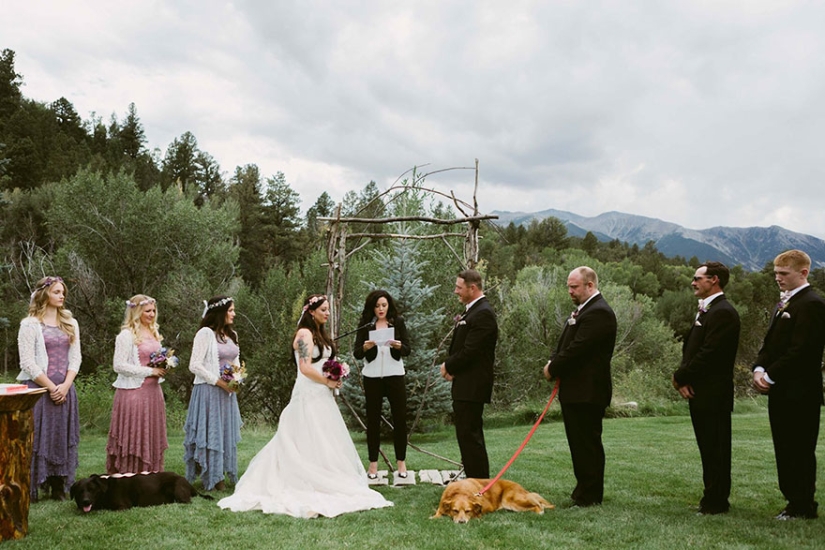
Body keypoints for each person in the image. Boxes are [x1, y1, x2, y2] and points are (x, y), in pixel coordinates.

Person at [218, 294, 392, 518]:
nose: (327, 313)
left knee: (325, 439)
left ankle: (327, 477)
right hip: (308, 394)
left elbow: (322, 363)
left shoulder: (319, 334)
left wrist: (335, 373)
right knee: (305, 437)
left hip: (322, 395)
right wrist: (327, 380)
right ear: (311, 311)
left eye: (328, 309)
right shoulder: (304, 334)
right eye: (323, 310)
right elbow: (305, 368)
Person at [752, 249, 825, 520]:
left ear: (803, 272)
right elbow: (770, 343)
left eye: (784, 274)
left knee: (799, 449)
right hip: (781, 390)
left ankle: (803, 505)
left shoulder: (812, 304)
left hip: (800, 391)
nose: (778, 279)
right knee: (783, 447)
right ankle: (792, 500)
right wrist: (758, 367)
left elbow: (803, 350)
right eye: (776, 274)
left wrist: (770, 375)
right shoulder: (783, 304)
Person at [543, 266, 616, 507]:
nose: (570, 291)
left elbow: (579, 349)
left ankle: (590, 495)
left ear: (590, 285)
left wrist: (553, 369)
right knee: (578, 443)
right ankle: (582, 489)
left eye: (574, 287)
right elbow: (565, 343)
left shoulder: (599, 313)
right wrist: (553, 359)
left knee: (587, 444)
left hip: (588, 391)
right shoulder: (582, 311)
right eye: (568, 286)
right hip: (575, 390)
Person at [672, 262, 740, 515]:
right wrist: (686, 379)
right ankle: (711, 496)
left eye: (697, 278)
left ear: (714, 280)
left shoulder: (723, 312)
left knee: (716, 447)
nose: (693, 282)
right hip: (699, 390)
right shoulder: (708, 310)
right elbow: (692, 349)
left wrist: (680, 376)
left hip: (714, 393)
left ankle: (716, 501)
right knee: (707, 447)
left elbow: (710, 353)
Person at [16, 276, 81, 501]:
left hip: (64, 388)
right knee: (36, 437)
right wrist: (52, 387)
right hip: (38, 389)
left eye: (62, 292)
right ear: (44, 294)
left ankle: (58, 485)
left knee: (60, 436)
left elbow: (76, 358)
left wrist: (65, 386)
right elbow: (27, 362)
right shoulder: (30, 324)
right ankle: (33, 485)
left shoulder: (71, 323)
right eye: (56, 292)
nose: (61, 296)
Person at [439, 269, 498, 479]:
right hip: (464, 384)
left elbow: (471, 351)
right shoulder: (471, 311)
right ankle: (472, 477)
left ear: (472, 288)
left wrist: (448, 366)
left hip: (473, 385)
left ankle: (479, 482)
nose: (456, 291)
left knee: (471, 435)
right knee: (465, 434)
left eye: (459, 287)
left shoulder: (483, 313)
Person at [183, 296, 243, 491]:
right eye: (231, 310)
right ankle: (213, 477)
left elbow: (236, 362)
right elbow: (194, 365)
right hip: (209, 390)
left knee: (225, 432)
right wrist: (218, 382)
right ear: (221, 312)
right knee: (212, 432)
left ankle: (223, 472)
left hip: (227, 393)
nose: (234, 314)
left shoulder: (232, 334)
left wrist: (236, 380)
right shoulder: (204, 334)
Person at [105, 295, 169, 474]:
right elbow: (119, 365)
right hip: (133, 392)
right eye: (147, 311)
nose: (152, 314)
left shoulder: (154, 331)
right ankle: (130, 472)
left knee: (150, 433)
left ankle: (150, 473)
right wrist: (150, 371)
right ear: (136, 312)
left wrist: (163, 366)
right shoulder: (126, 335)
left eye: (153, 310)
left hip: (153, 392)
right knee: (134, 433)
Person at [353, 290, 411, 479]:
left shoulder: (397, 322)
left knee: (400, 419)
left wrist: (398, 346)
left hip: (395, 375)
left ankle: (401, 464)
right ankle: (373, 466)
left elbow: (408, 349)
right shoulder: (366, 324)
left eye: (384, 305)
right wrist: (365, 347)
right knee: (373, 421)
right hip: (372, 377)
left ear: (389, 306)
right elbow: (357, 353)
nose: (381, 309)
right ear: (372, 307)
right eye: (377, 306)